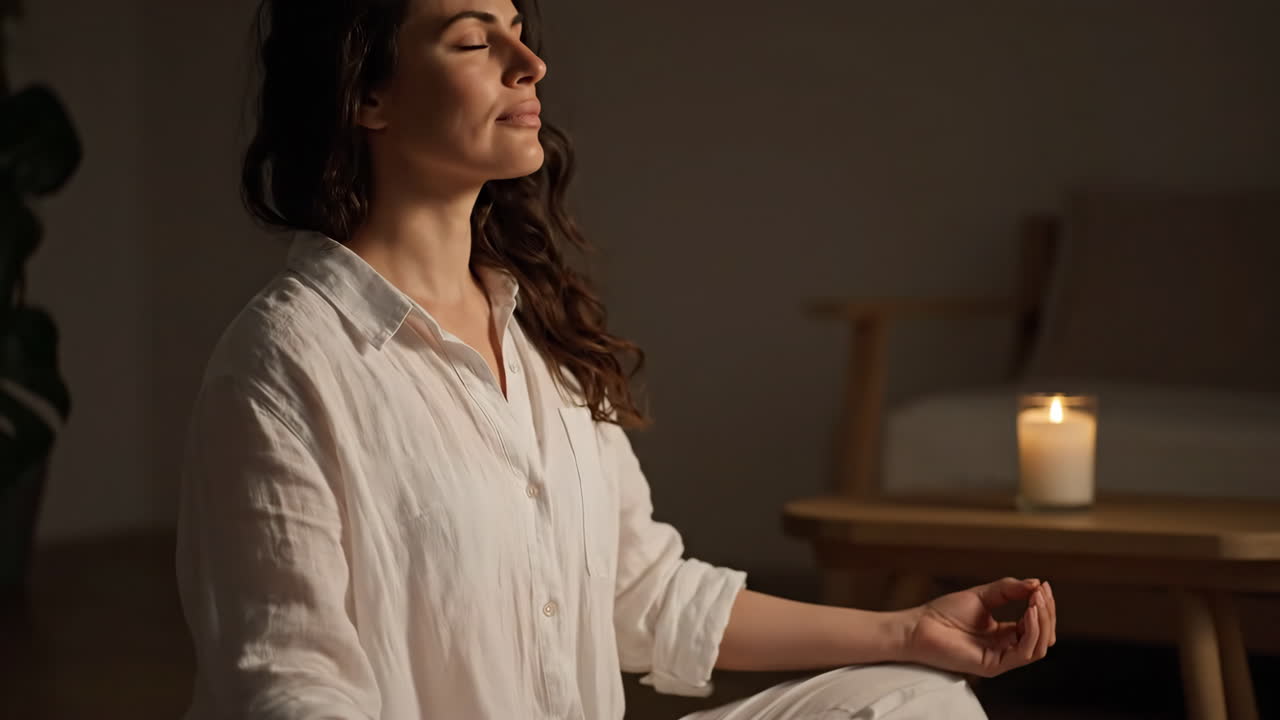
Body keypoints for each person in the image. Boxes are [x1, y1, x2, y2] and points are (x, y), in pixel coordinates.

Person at [174, 1, 1058, 718]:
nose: (530, 63)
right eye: (476, 40)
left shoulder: (535, 332)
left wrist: (907, 629)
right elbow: (292, 685)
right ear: (368, 96)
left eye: (520, 30)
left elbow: (642, 592)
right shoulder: (286, 361)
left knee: (917, 702)